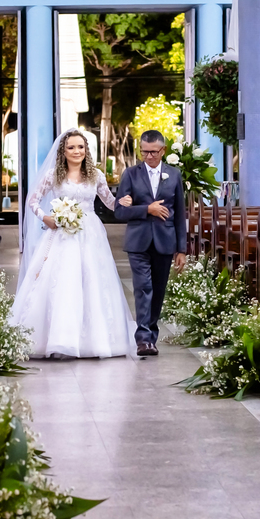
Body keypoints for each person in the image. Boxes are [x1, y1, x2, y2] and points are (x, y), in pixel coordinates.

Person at [11, 128, 138, 358]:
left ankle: (93, 340)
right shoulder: (53, 175)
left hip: (90, 233)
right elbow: (32, 201)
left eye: (80, 147)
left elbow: (110, 203)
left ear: (86, 150)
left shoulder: (96, 175)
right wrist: (45, 217)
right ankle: (58, 338)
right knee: (63, 282)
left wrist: (124, 201)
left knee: (92, 281)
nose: (76, 151)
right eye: (71, 147)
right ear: (64, 151)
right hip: (62, 234)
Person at [114, 130, 189, 356]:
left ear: (163, 150)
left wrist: (181, 249)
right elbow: (119, 212)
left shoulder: (174, 175)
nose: (148, 157)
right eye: (144, 152)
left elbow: (179, 214)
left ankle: (151, 335)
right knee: (143, 288)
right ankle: (143, 339)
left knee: (158, 290)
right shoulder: (130, 174)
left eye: (153, 152)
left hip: (165, 241)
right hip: (138, 241)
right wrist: (147, 209)